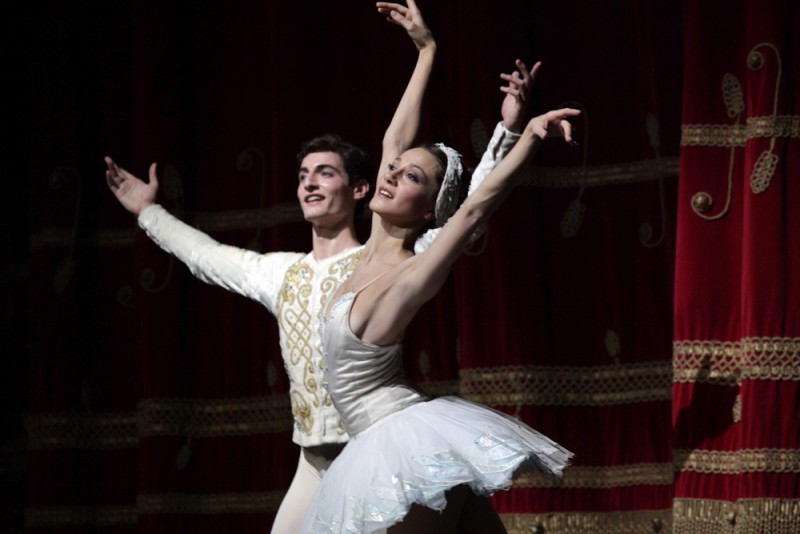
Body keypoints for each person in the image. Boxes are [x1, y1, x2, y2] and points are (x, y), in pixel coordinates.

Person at [104, 1, 535, 531]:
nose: (309, 182)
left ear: (358, 188)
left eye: (325, 173)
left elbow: (460, 208)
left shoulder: (392, 255)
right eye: (303, 173)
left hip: (382, 445)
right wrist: (150, 212)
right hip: (315, 459)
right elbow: (205, 257)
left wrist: (510, 133)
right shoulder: (282, 273)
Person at [298, 2, 580, 532]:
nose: (391, 174)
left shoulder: (412, 270)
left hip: (401, 446)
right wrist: (426, 51)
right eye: (395, 170)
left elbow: (473, 206)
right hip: (390, 443)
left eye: (411, 179)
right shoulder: (368, 252)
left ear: (429, 209)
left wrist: (529, 136)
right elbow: (395, 141)